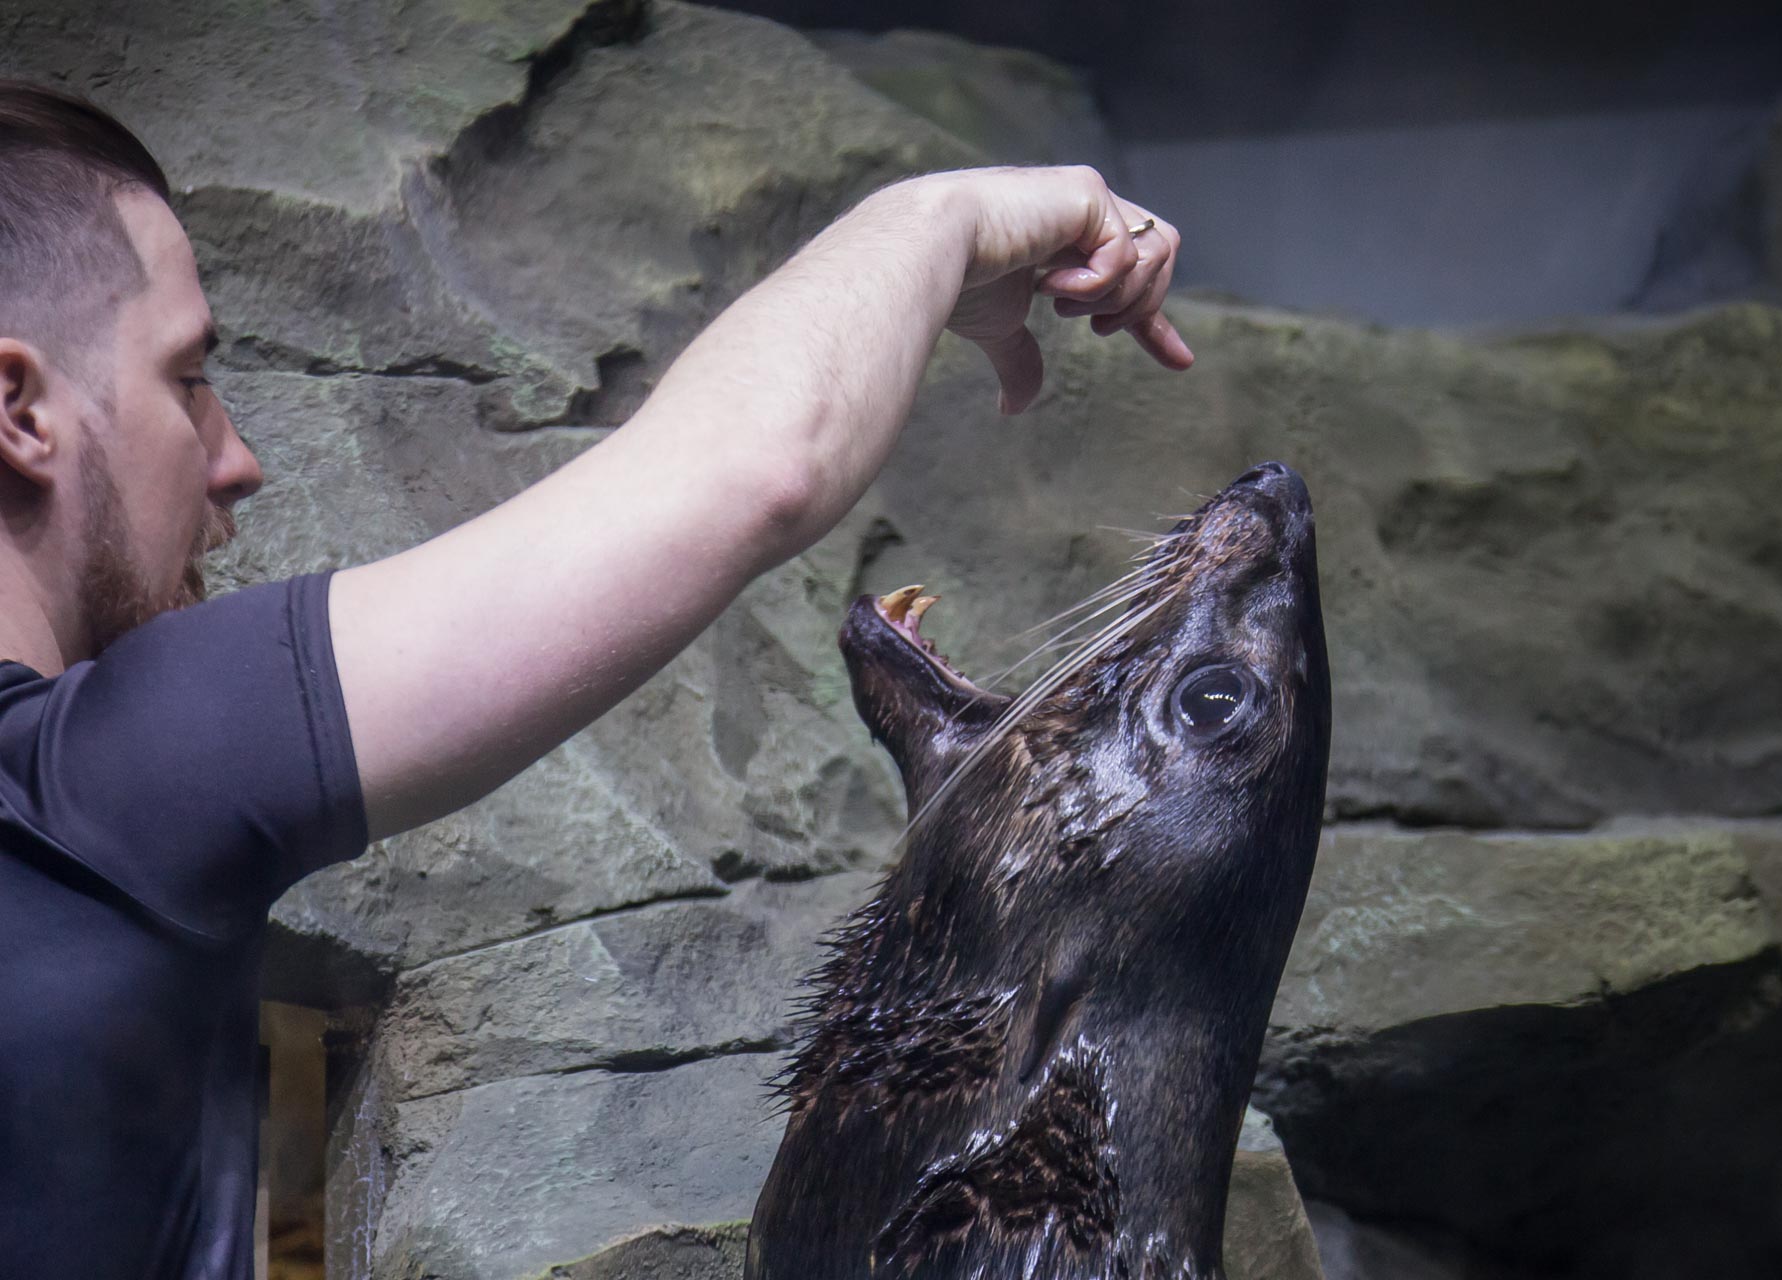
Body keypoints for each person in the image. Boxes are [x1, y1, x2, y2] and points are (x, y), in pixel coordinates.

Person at [0, 78, 1190, 1277]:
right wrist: (946, 219)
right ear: (18, 407)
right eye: (187, 376)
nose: (238, 458)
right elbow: (756, 464)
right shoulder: (89, 793)